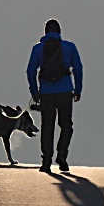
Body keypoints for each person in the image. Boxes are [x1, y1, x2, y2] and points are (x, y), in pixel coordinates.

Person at [27, 18, 83, 173]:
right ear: (59, 32)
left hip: (46, 93)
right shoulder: (69, 47)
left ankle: (46, 162)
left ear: (45, 32)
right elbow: (78, 68)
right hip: (65, 91)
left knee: (47, 127)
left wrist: (35, 92)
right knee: (66, 125)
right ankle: (62, 155)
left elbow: (30, 71)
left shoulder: (38, 49)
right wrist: (78, 89)